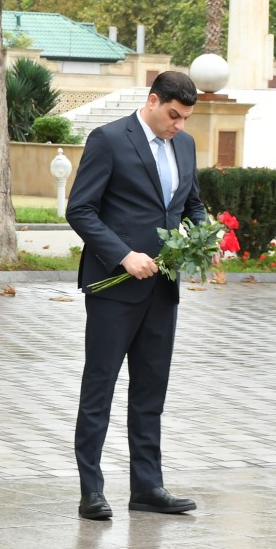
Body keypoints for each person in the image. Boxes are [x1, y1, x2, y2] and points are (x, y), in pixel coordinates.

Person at [66, 70, 207, 521]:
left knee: (151, 390)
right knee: (99, 389)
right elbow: (80, 209)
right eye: (172, 115)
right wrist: (123, 255)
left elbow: (192, 205)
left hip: (162, 289)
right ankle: (92, 490)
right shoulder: (108, 139)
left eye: (185, 118)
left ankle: (148, 486)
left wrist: (206, 239)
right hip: (113, 288)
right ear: (152, 101)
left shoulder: (184, 145)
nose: (178, 126)